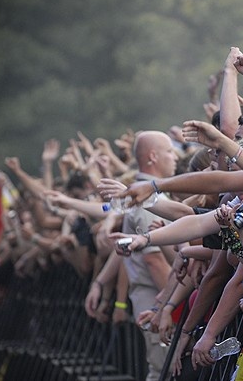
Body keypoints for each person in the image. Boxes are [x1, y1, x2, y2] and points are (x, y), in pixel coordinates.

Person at [88, 130, 179, 381]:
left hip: (150, 297)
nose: (175, 158)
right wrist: (170, 307)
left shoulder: (146, 195)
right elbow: (155, 260)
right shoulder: (148, 200)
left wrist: (99, 282)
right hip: (155, 296)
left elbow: (127, 247)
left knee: (159, 368)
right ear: (152, 157)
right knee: (164, 370)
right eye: (169, 152)